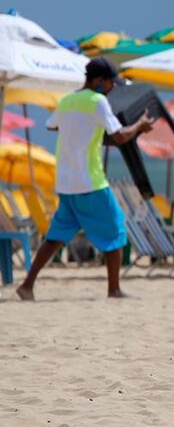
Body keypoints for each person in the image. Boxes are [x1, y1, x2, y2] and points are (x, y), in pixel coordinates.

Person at [17, 58, 153, 300]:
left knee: (55, 238)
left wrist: (79, 129)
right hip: (91, 182)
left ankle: (27, 285)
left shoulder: (67, 100)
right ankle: (114, 290)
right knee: (116, 231)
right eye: (110, 83)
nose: (112, 88)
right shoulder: (98, 101)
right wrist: (140, 126)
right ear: (98, 81)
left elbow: (51, 125)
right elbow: (120, 136)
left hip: (66, 184)